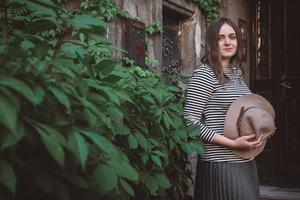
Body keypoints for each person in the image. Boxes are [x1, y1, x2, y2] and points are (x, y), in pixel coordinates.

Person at [184, 17, 264, 200]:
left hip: (245, 161)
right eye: (221, 38)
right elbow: (190, 122)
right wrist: (233, 144)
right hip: (221, 164)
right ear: (212, 42)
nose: (228, 42)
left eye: (232, 36)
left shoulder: (236, 73)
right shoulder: (205, 74)